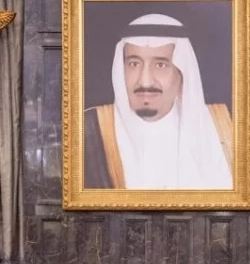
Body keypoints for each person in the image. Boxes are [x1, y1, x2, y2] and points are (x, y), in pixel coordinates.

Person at [84, 13, 233, 190]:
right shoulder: (89, 130)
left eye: (160, 65)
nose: (145, 81)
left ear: (182, 73)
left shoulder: (223, 126)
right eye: (134, 64)